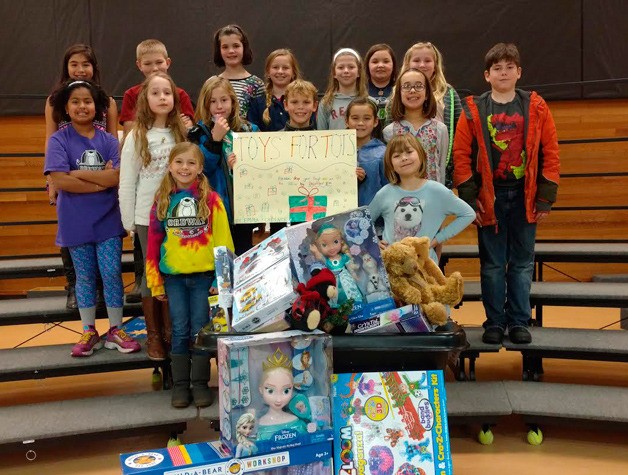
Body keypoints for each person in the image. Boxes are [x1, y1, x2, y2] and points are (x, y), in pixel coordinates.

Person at [453, 43, 560, 345]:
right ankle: (494, 322)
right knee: (493, 264)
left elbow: (550, 151)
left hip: (524, 195)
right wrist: (470, 198)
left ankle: (518, 321)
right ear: (487, 75)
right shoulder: (474, 110)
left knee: (523, 263)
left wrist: (545, 196)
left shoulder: (536, 106)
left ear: (519, 72)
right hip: (490, 197)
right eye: (497, 68)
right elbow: (461, 155)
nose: (503, 72)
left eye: (509, 67)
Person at [45, 79, 140, 357]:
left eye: (87, 101)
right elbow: (60, 180)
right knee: (84, 277)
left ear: (97, 107)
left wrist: (77, 173)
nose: (82, 106)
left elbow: (117, 177)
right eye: (75, 101)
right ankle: (88, 330)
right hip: (74, 220)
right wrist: (100, 181)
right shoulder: (58, 140)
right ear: (66, 107)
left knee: (111, 273)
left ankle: (114, 329)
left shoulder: (110, 141)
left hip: (108, 219)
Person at [146, 142, 234, 408]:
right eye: (179, 162)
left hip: (203, 278)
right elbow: (152, 243)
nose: (185, 168)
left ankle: (200, 384)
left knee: (200, 329)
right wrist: (154, 280)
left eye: (191, 163)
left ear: (200, 168)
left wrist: (222, 280)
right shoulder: (161, 199)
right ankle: (181, 385)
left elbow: (224, 242)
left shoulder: (212, 201)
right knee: (180, 329)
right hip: (173, 278)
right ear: (170, 166)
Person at [118, 72, 188, 361]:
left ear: (174, 99)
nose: (162, 97)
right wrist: (129, 222)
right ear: (145, 99)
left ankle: (173, 333)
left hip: (178, 218)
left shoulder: (180, 134)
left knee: (173, 275)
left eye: (167, 93)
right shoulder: (137, 136)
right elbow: (127, 181)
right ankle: (154, 337)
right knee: (151, 279)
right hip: (148, 220)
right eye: (155, 93)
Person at [44, 44, 118, 309]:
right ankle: (74, 285)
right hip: (63, 168)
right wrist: (54, 180)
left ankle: (98, 288)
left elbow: (113, 146)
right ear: (66, 67)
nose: (80, 69)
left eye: (85, 64)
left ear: (94, 68)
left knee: (101, 238)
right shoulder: (55, 101)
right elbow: (49, 139)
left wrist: (95, 176)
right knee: (71, 231)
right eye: (74, 64)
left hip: (97, 174)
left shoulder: (106, 101)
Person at [370, 134, 474, 264]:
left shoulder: (437, 191)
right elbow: (362, 223)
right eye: (397, 156)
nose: (404, 158)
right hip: (392, 268)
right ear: (390, 164)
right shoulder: (384, 193)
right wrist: (373, 243)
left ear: (420, 154)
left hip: (426, 268)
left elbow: (468, 214)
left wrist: (437, 239)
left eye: (409, 152)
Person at [191, 76, 259, 255]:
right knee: (221, 255)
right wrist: (215, 140)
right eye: (213, 101)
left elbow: (259, 166)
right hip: (216, 207)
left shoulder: (249, 130)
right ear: (205, 105)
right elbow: (201, 168)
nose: (219, 106)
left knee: (243, 251)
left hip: (244, 208)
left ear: (233, 102)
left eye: (224, 100)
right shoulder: (200, 133)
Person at [402, 42, 461, 188]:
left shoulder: (448, 93)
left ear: (435, 65)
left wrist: (451, 166)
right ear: (408, 64)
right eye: (416, 60)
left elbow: (460, 131)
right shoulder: (398, 92)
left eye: (427, 61)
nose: (422, 65)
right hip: (405, 169)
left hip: (439, 168)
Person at [383, 68, 448, 186]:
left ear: (427, 93)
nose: (412, 90)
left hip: (433, 196)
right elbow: (390, 171)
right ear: (399, 94)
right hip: (402, 198)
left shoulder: (440, 129)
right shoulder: (390, 132)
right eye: (406, 86)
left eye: (419, 86)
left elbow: (442, 167)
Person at [119, 39, 195, 137]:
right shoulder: (131, 94)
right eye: (147, 64)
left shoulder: (181, 95)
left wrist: (143, 122)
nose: (154, 68)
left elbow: (188, 128)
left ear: (167, 63)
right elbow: (129, 130)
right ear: (139, 65)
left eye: (159, 62)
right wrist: (171, 122)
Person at [211, 24, 264, 119]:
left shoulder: (257, 84)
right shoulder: (212, 83)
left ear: (244, 47)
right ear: (219, 50)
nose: (231, 51)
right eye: (225, 47)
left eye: (236, 46)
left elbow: (262, 119)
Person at [256, 348, 307, 441]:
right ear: (261, 389)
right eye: (270, 391)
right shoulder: (258, 427)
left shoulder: (297, 423)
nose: (278, 399)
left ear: (292, 387)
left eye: (286, 391)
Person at [248, 49, 304, 131]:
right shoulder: (257, 104)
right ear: (268, 72)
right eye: (275, 67)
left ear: (293, 72)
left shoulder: (303, 101)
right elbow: (251, 134)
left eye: (285, 68)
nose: (280, 71)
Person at [345, 97, 387, 206]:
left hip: (372, 217)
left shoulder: (383, 153)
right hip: (338, 216)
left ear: (375, 121)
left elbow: (389, 189)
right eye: (355, 118)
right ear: (346, 121)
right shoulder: (335, 152)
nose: (360, 123)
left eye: (367, 118)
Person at [310, 224, 364, 307]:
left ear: (341, 241)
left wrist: (354, 275)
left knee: (351, 291)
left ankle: (355, 303)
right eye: (324, 245)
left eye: (335, 242)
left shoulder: (344, 257)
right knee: (336, 296)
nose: (331, 248)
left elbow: (350, 267)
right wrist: (316, 251)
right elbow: (320, 257)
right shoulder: (326, 260)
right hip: (333, 281)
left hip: (346, 278)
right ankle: (339, 307)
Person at [317, 48, 367, 130]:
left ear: (359, 72)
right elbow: (321, 134)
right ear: (334, 73)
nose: (346, 71)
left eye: (351, 67)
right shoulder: (326, 103)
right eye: (341, 67)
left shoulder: (369, 101)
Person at [365, 43, 397, 123]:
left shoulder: (400, 89)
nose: (380, 65)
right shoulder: (360, 90)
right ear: (367, 65)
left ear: (393, 65)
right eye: (375, 62)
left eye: (386, 61)